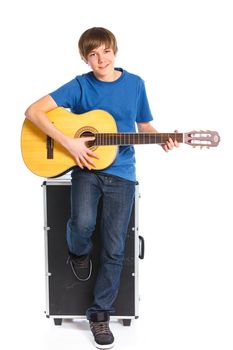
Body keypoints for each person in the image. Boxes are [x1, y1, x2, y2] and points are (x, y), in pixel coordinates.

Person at [25, 27, 179, 349]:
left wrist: (162, 136)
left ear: (115, 51)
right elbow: (33, 111)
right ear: (85, 57)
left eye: (105, 51)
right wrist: (70, 143)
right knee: (82, 225)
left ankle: (100, 316)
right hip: (86, 169)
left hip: (122, 173)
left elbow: (143, 125)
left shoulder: (135, 84)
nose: (101, 59)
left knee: (115, 247)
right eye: (93, 54)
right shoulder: (81, 85)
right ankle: (77, 252)